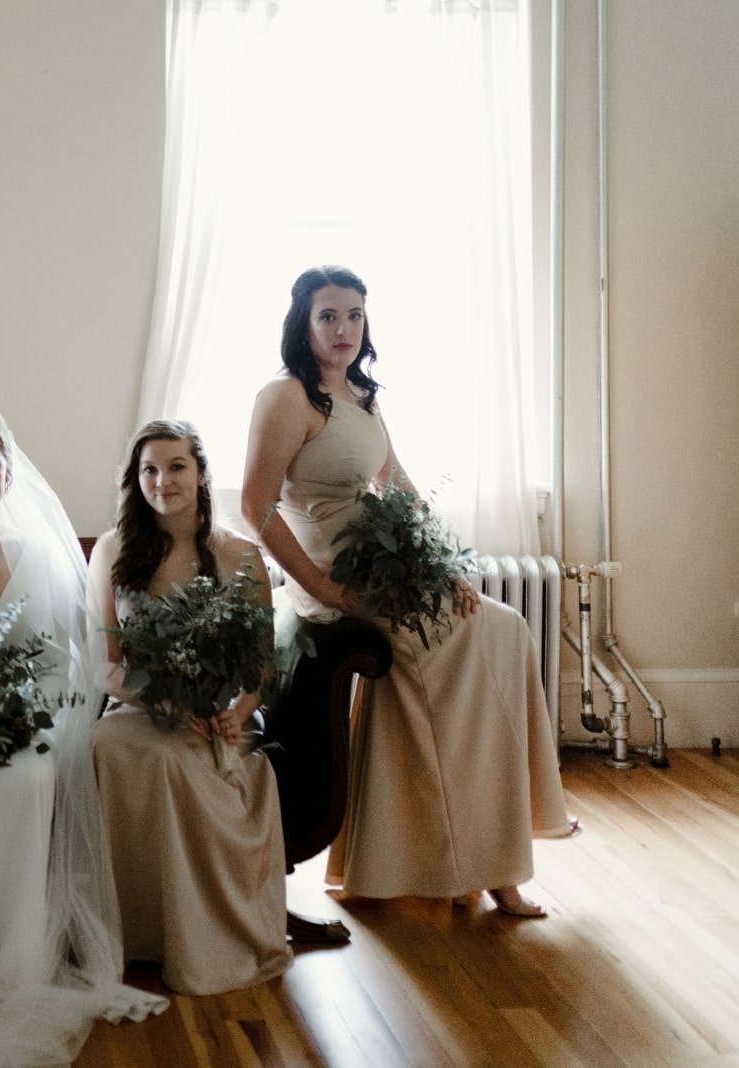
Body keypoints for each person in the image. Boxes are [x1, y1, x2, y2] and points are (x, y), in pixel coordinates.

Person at [241, 265, 574, 917]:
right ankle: (468, 864)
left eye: (355, 315)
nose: (343, 329)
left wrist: (444, 566)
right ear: (302, 323)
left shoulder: (362, 395)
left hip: (390, 567)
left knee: (504, 627)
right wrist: (320, 587)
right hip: (330, 576)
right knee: (456, 645)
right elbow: (255, 508)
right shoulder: (285, 397)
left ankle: (498, 856)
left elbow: (397, 485)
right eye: (328, 316)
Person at [87, 420, 292, 994]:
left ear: (201, 474)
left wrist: (237, 707)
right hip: (141, 711)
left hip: (221, 713)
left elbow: (260, 665)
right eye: (149, 469)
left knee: (194, 762)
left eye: (176, 466)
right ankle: (139, 936)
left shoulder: (242, 556)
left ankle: (207, 937)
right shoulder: (112, 552)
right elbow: (104, 667)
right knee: (112, 746)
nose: (162, 480)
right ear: (136, 479)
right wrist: (167, 703)